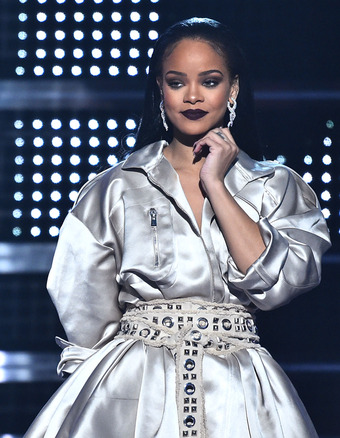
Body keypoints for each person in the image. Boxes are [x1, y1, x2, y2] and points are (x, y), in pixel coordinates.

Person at [25, 17, 330, 438]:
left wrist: (216, 186)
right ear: (159, 89)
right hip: (129, 392)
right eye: (176, 81)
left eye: (209, 81)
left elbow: (279, 285)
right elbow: (83, 315)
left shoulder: (276, 186)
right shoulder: (114, 188)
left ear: (233, 89)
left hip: (239, 393)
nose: (192, 96)